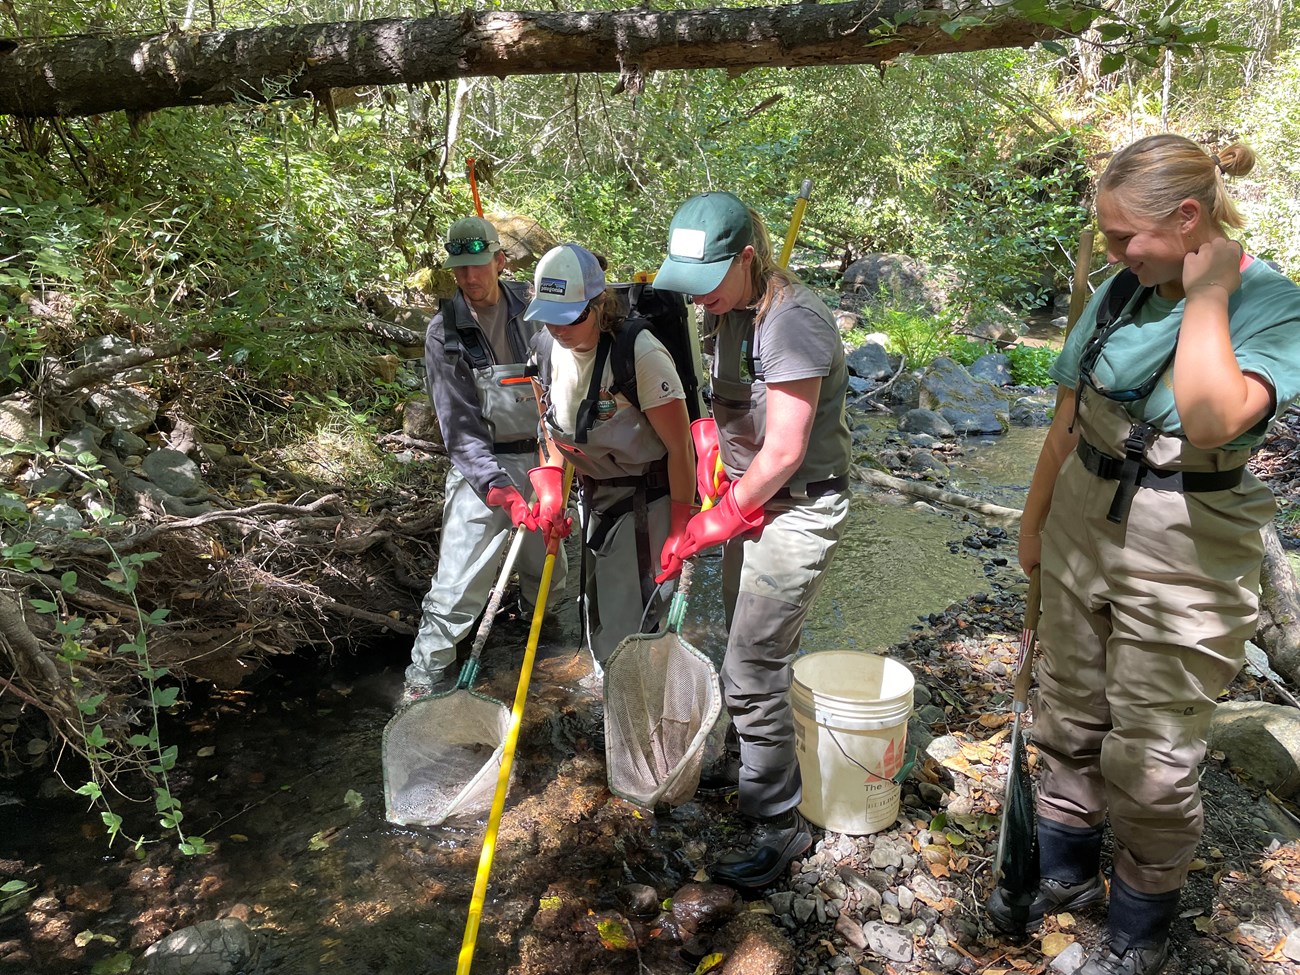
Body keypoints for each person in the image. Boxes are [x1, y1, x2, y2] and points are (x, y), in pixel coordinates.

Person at [987, 135, 1300, 975]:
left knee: (1154, 753)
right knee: (1069, 709)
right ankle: (1063, 876)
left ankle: (1139, 919)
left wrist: (1207, 294)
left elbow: (1208, 419)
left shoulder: (1268, 302)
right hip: (1079, 519)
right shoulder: (1123, 288)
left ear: (1190, 217)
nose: (1116, 253)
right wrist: (1034, 524)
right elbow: (1067, 417)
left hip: (1188, 543)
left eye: (1129, 236)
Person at [652, 191, 853, 890]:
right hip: (751, 500)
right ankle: (747, 763)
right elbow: (734, 413)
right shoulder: (724, 310)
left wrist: (716, 516)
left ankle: (780, 821)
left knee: (751, 663)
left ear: (745, 259)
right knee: (742, 644)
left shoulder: (792, 322)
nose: (699, 299)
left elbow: (787, 450)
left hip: (794, 508)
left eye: (708, 282)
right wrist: (712, 441)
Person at [405, 216, 566, 702]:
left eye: (478, 265)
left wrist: (555, 470)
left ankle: (548, 659)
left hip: (545, 460)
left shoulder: (535, 309)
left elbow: (560, 389)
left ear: (500, 260)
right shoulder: (445, 332)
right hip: (481, 469)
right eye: (459, 269)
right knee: (456, 591)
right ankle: (423, 686)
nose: (469, 278)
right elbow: (459, 429)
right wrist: (499, 490)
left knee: (550, 576)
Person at [524, 243, 695, 672]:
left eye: (572, 317)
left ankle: (639, 720)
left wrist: (680, 527)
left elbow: (681, 447)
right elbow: (548, 427)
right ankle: (613, 708)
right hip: (594, 498)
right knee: (597, 618)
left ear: (599, 306)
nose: (559, 329)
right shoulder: (543, 349)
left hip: (648, 503)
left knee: (630, 631)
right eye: (549, 317)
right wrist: (549, 491)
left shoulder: (640, 355)